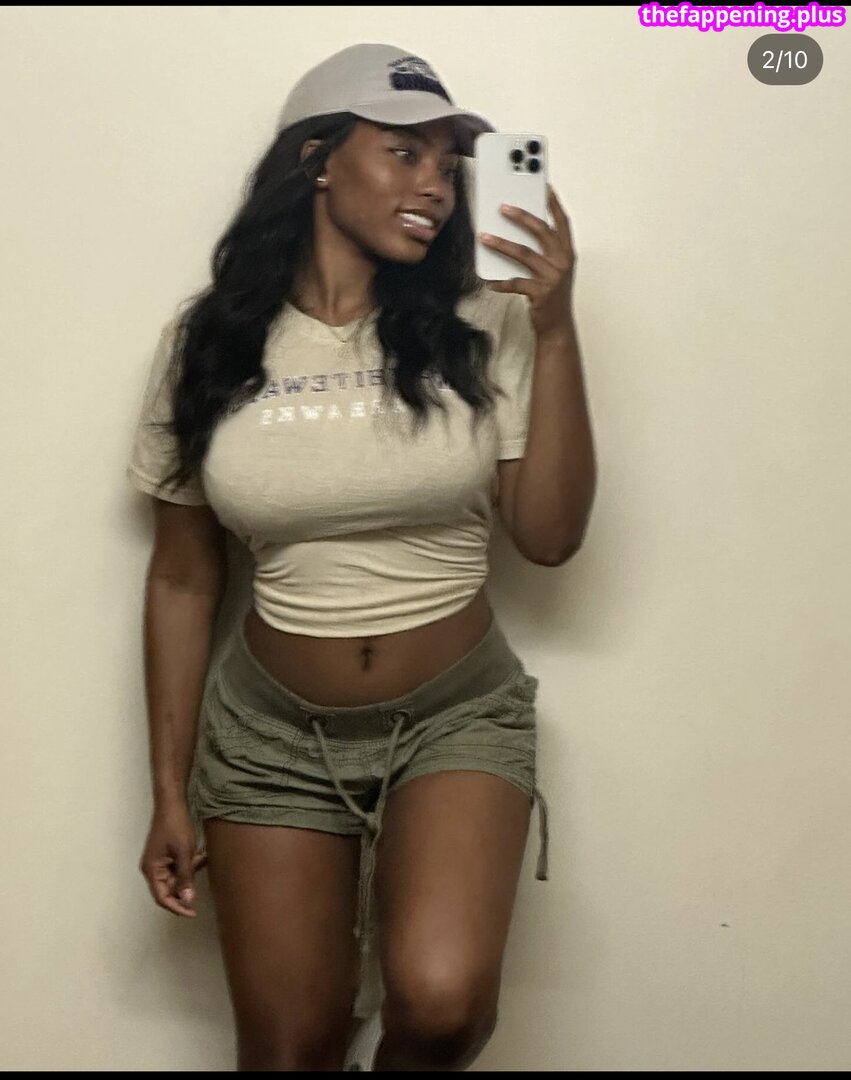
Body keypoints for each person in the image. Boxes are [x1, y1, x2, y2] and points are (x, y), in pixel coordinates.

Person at [128, 42, 594, 1072]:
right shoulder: (206, 344)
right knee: (287, 1050)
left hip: (453, 716)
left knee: (441, 1004)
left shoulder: (487, 324)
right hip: (267, 736)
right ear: (317, 160)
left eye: (447, 164)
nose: (435, 185)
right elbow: (181, 577)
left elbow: (550, 538)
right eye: (403, 152)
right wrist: (166, 789)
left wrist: (557, 331)